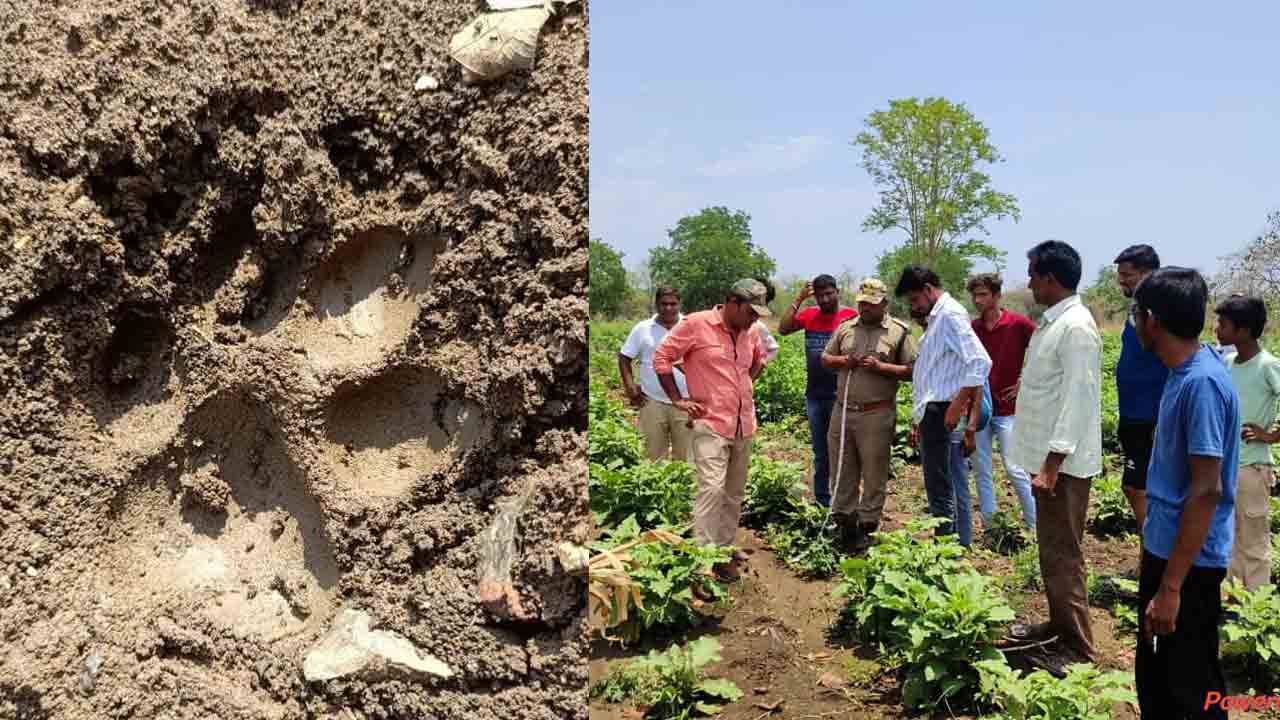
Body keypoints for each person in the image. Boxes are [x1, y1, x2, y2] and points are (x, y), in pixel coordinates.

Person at [1131, 268, 1238, 719]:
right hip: (1169, 551)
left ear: (1152, 319)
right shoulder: (1184, 370)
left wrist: (1171, 586)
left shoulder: (1201, 384)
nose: (1134, 322)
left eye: (1135, 314)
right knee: (1158, 679)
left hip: (1189, 564)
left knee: (1188, 688)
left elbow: (1206, 491)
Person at [1006, 240, 1103, 676]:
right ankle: (1058, 627)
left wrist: (1051, 464)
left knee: (1065, 555)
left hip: (1061, 468)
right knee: (1052, 552)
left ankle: (1078, 646)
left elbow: (1077, 401)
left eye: (1033, 276)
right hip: (1048, 462)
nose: (1029, 284)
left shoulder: (1076, 327)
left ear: (1050, 278)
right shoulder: (1055, 323)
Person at [653, 279, 769, 581]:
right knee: (711, 490)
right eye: (751, 312)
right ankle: (702, 563)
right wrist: (679, 400)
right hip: (711, 424)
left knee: (734, 493)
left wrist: (743, 388)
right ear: (732, 302)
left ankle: (724, 549)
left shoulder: (751, 331)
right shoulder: (696, 324)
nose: (754, 319)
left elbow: (759, 360)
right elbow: (662, 358)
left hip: (744, 423)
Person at [894, 266, 991, 545]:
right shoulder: (937, 318)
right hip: (933, 410)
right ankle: (948, 545)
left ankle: (947, 548)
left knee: (942, 485)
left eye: (914, 300)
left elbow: (979, 361)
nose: (914, 306)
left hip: (943, 409)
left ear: (927, 290)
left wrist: (957, 402)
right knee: (940, 482)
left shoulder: (949, 314)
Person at [820, 278, 917, 552]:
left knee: (874, 472)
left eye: (871, 304)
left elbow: (913, 371)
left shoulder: (899, 332)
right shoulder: (845, 328)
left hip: (877, 413)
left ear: (884, 304)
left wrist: (882, 368)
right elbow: (826, 359)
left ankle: (867, 525)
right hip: (843, 411)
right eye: (861, 303)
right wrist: (843, 362)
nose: (865, 309)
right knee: (841, 467)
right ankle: (844, 523)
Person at [1215, 295, 1279, 590]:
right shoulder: (1227, 362)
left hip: (1252, 467)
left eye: (1223, 323)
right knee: (1228, 536)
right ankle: (1232, 599)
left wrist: (1270, 435)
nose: (1217, 328)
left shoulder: (1268, 365)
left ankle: (1255, 603)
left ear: (1243, 331)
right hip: (1226, 466)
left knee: (1253, 540)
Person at [777, 275, 858, 507]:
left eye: (829, 294)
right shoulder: (810, 314)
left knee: (842, 450)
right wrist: (800, 298)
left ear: (838, 292)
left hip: (841, 396)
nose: (824, 299)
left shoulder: (850, 316)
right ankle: (823, 501)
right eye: (820, 295)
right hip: (814, 395)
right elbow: (783, 329)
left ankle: (843, 501)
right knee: (821, 452)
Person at [967, 273, 1038, 530]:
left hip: (1009, 410)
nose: (978, 300)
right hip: (979, 409)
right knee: (982, 471)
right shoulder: (972, 329)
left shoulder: (1018, 324)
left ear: (997, 296)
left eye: (983, 294)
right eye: (975, 295)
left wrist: (1025, 380)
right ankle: (991, 527)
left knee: (1015, 469)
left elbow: (1044, 347)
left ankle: (1035, 527)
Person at [1114, 244, 1169, 539]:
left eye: (1128, 275)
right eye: (1120, 275)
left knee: (1140, 489)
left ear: (1148, 274)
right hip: (1132, 413)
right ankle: (1150, 558)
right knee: (1136, 487)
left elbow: (1172, 365)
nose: (1122, 280)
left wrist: (1164, 418)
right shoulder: (1136, 311)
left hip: (1151, 417)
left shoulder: (1160, 313)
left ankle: (1154, 561)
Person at [619, 287, 691, 461]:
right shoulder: (642, 329)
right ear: (656, 304)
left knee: (686, 457)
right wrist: (630, 388)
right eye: (663, 304)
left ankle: (683, 488)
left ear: (680, 304)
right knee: (653, 456)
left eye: (673, 304)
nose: (668, 308)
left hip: (686, 401)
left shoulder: (690, 326)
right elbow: (624, 358)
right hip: (651, 401)